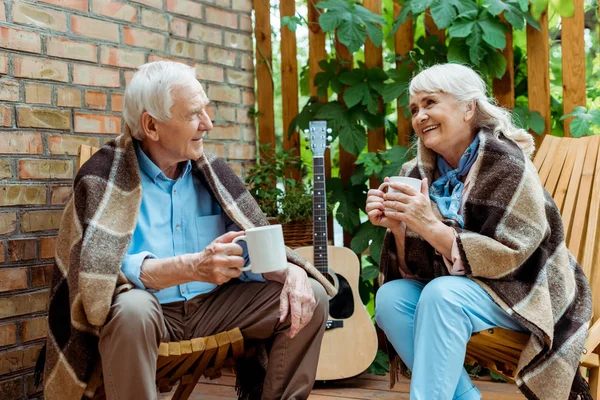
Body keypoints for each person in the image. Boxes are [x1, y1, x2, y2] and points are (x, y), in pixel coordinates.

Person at [41, 61, 335, 400]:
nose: (208, 124)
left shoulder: (213, 175)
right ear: (151, 126)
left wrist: (291, 274)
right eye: (194, 114)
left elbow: (254, 249)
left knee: (311, 293)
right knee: (133, 311)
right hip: (149, 313)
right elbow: (95, 274)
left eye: (206, 111)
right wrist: (191, 267)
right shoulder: (104, 179)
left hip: (215, 308)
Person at [367, 63, 592, 400]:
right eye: (414, 109)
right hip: (462, 293)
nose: (419, 116)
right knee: (391, 298)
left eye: (430, 103)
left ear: (468, 108)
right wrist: (400, 228)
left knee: (444, 296)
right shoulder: (414, 172)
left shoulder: (507, 164)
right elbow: (414, 272)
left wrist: (429, 225)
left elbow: (512, 257)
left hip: (526, 291)